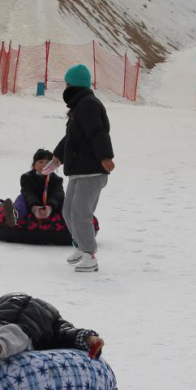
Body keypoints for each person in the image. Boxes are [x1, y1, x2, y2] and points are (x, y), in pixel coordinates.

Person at [44, 64, 114, 272]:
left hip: (92, 171)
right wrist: (57, 158)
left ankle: (89, 255)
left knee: (81, 213)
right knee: (68, 211)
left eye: (67, 83)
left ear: (73, 85)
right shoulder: (79, 106)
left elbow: (98, 132)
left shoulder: (88, 105)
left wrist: (105, 156)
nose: (65, 87)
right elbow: (71, 138)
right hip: (79, 170)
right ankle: (80, 246)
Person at [0, 148, 64, 226]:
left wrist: (50, 206)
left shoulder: (57, 180)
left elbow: (57, 194)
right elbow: (28, 193)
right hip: (31, 203)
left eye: (48, 162)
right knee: (21, 198)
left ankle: (72, 218)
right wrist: (35, 206)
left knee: (64, 201)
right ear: (34, 165)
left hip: (51, 205)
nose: (44, 165)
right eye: (41, 162)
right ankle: (15, 214)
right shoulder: (27, 178)